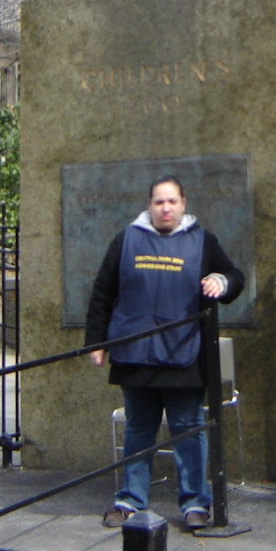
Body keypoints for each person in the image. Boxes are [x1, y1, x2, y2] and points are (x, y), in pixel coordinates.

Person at [85, 174, 245, 531]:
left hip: (184, 356)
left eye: (172, 201)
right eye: (159, 201)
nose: (166, 207)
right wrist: (96, 341)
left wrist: (222, 282)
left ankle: (194, 504)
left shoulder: (203, 242)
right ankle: (129, 501)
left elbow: (236, 276)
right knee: (138, 429)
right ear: (149, 205)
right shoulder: (126, 240)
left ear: (184, 204)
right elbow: (102, 293)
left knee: (188, 429)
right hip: (134, 354)